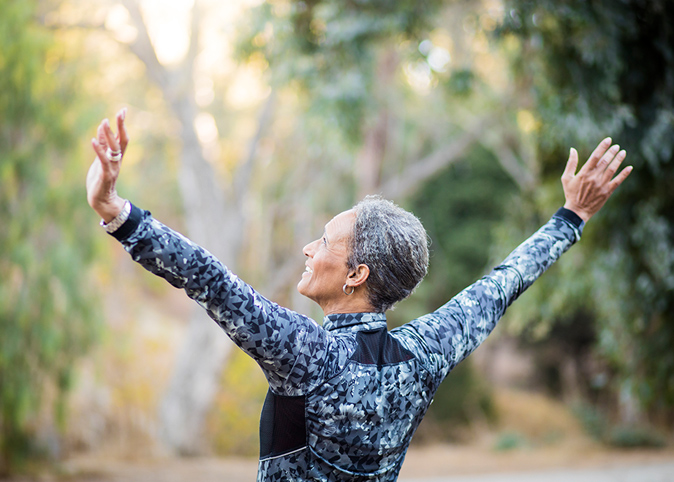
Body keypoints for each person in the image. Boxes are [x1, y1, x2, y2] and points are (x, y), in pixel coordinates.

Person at [86, 109, 632, 482]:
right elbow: (502, 286)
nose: (307, 247)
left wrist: (118, 212)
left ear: (356, 274)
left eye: (324, 240)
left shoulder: (308, 356)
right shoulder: (427, 353)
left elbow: (211, 280)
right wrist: (571, 216)